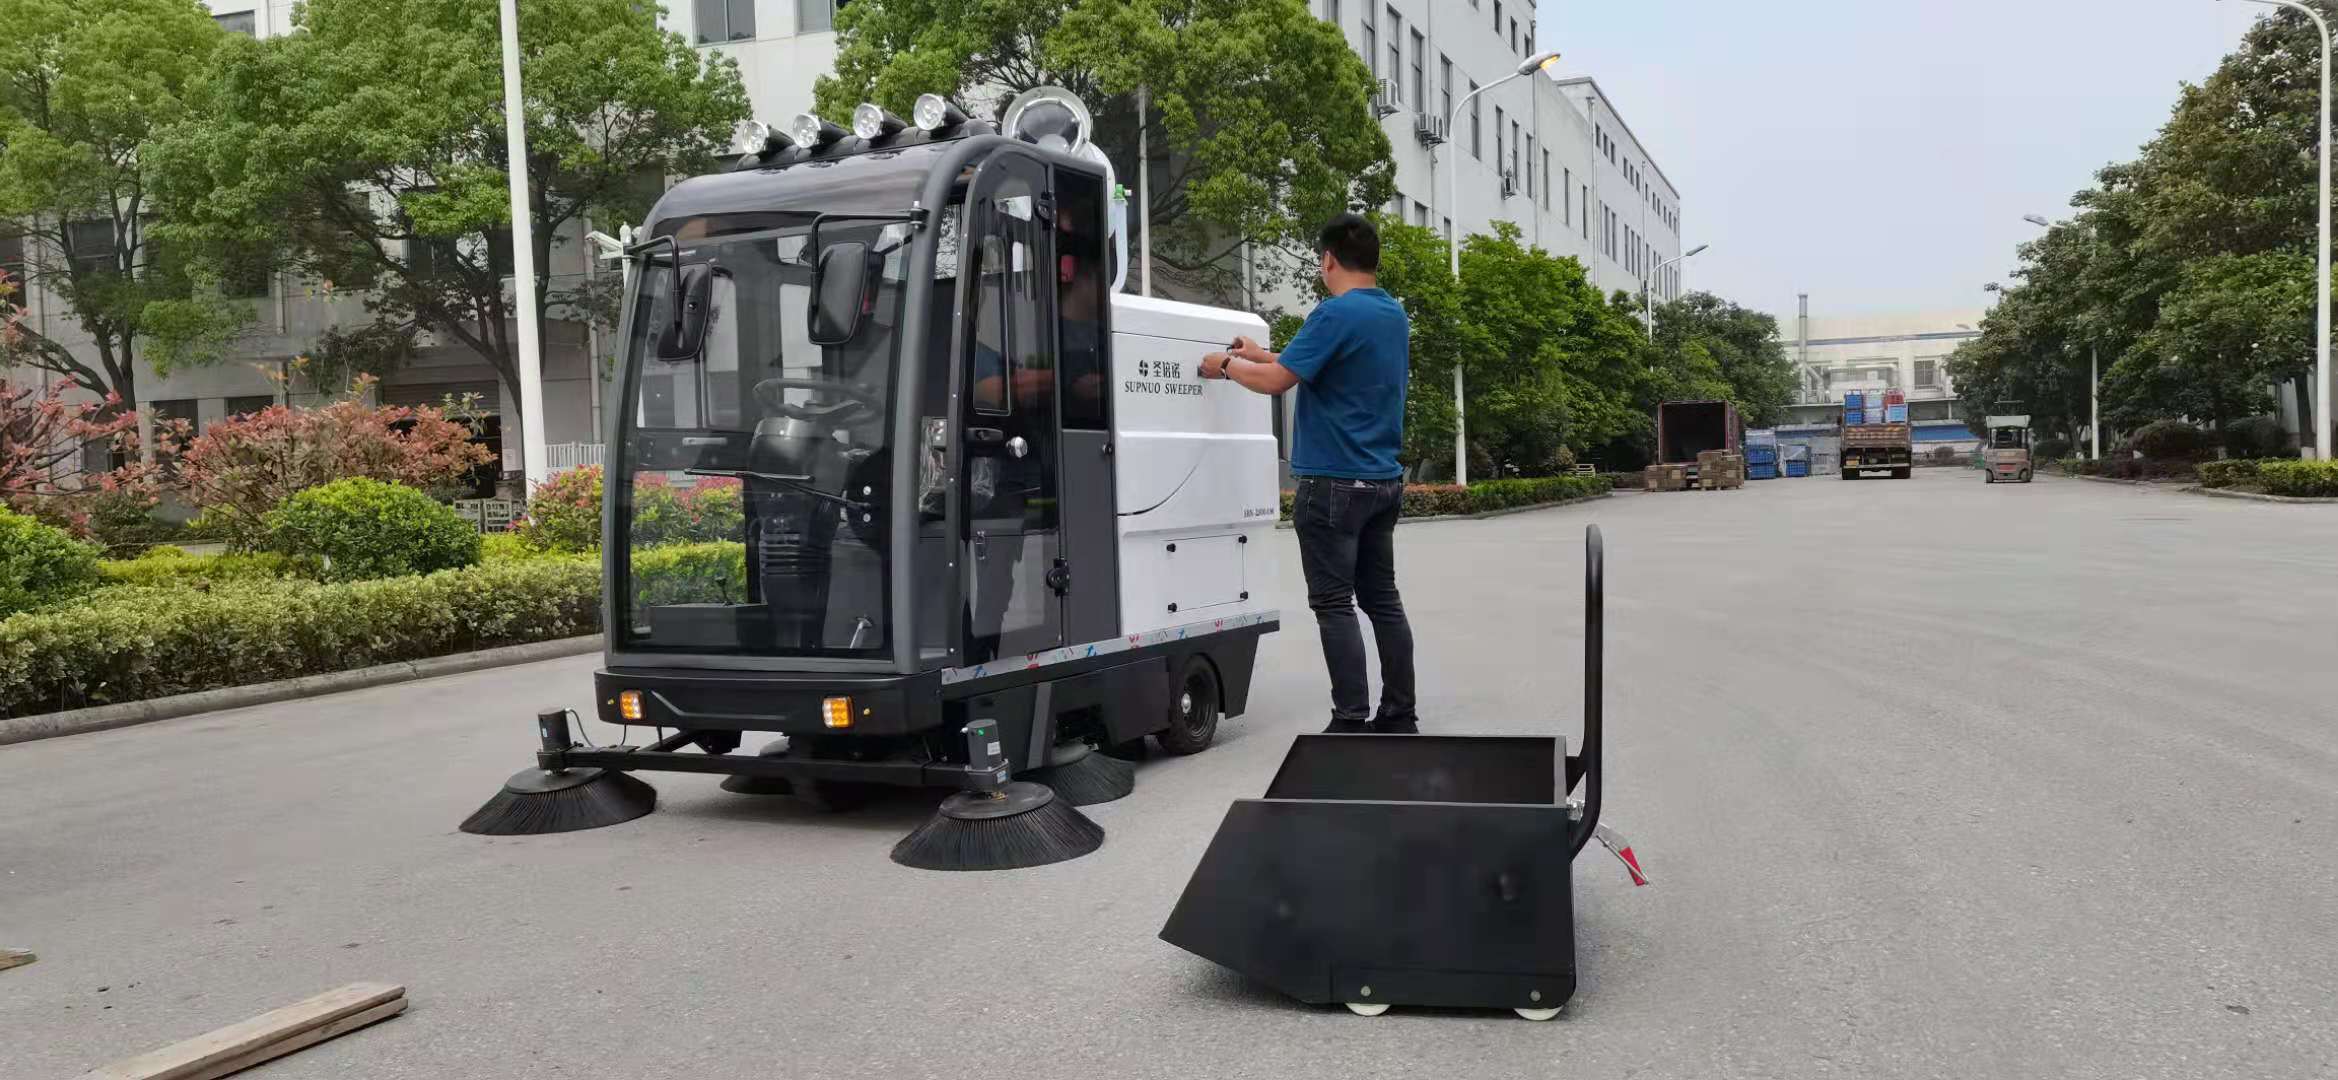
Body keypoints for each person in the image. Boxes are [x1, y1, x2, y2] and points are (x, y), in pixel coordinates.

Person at [1200, 213, 1416, 734]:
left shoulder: (1333, 314)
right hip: (1382, 482)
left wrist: (1225, 367)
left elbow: (1276, 382)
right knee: (1382, 601)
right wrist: (1261, 353)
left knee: (1333, 604)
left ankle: (1349, 720)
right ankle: (1399, 714)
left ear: (1328, 260)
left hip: (1334, 485)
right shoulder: (1391, 314)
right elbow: (1304, 365)